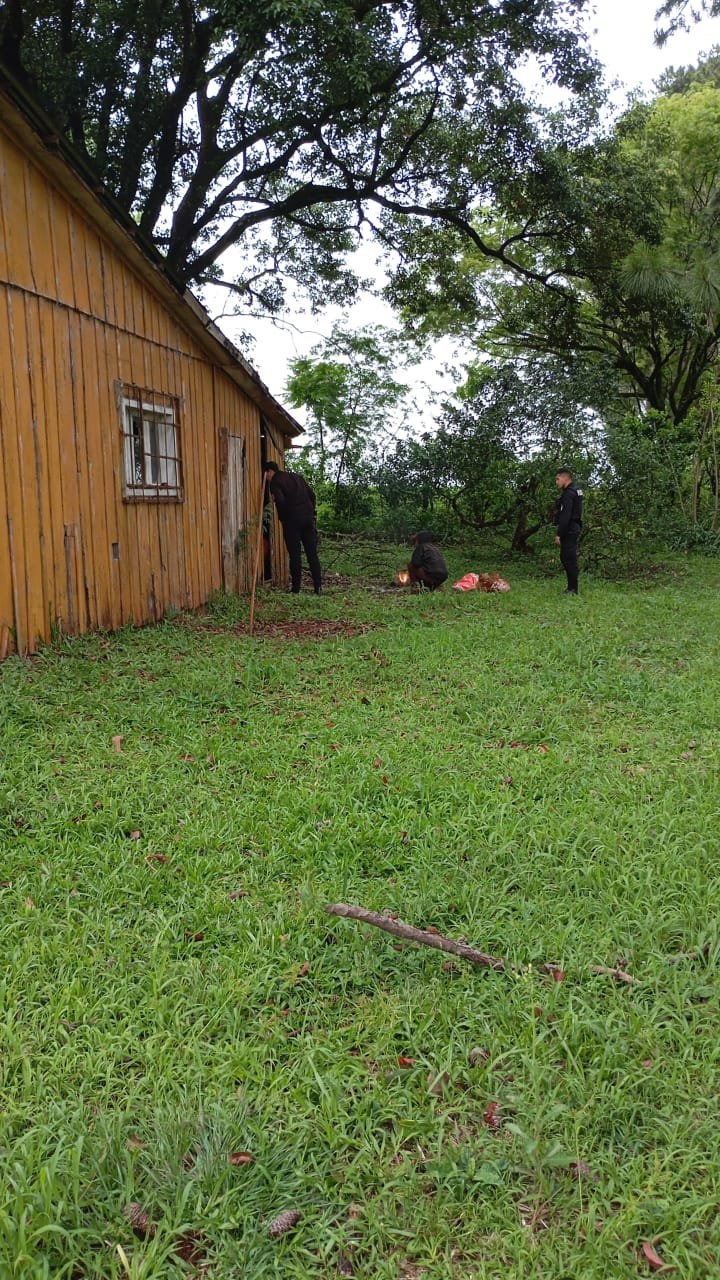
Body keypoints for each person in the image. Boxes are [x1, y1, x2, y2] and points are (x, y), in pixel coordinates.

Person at [263, 460, 322, 594]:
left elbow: (281, 501)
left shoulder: (275, 482)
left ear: (270, 472)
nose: (265, 478)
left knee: (295, 556)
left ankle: (296, 589)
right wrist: (312, 513)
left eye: (265, 475)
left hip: (292, 522)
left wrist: (284, 519)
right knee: (312, 554)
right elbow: (312, 495)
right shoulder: (297, 477)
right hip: (308, 519)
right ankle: (318, 587)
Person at [554, 467, 583, 595]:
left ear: (566, 478)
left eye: (558, 478)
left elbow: (565, 516)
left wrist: (559, 534)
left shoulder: (568, 494)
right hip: (575, 526)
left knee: (568, 558)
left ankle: (572, 589)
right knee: (566, 557)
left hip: (570, 528)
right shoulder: (577, 490)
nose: (557, 482)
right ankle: (572, 587)